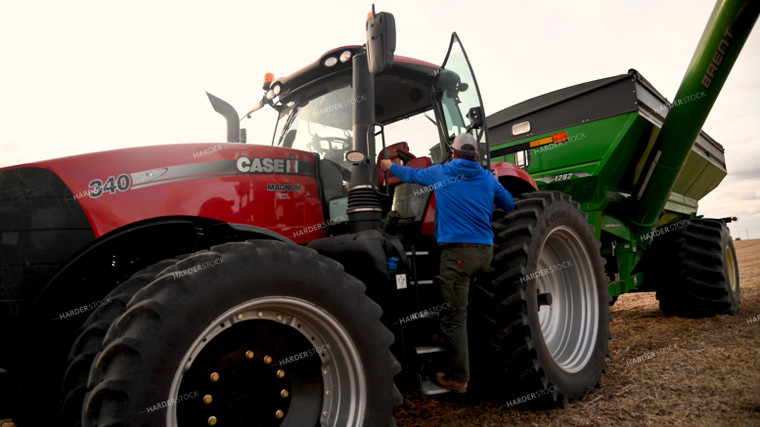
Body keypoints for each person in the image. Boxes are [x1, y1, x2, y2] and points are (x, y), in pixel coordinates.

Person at [379, 132, 515, 393]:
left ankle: (458, 378)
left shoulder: (441, 172)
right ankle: (441, 336)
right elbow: (508, 204)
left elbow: (410, 176)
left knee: (454, 316)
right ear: (476, 155)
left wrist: (389, 166)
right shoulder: (487, 177)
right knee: (456, 305)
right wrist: (495, 183)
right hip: (485, 253)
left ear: (453, 153)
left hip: (458, 256)